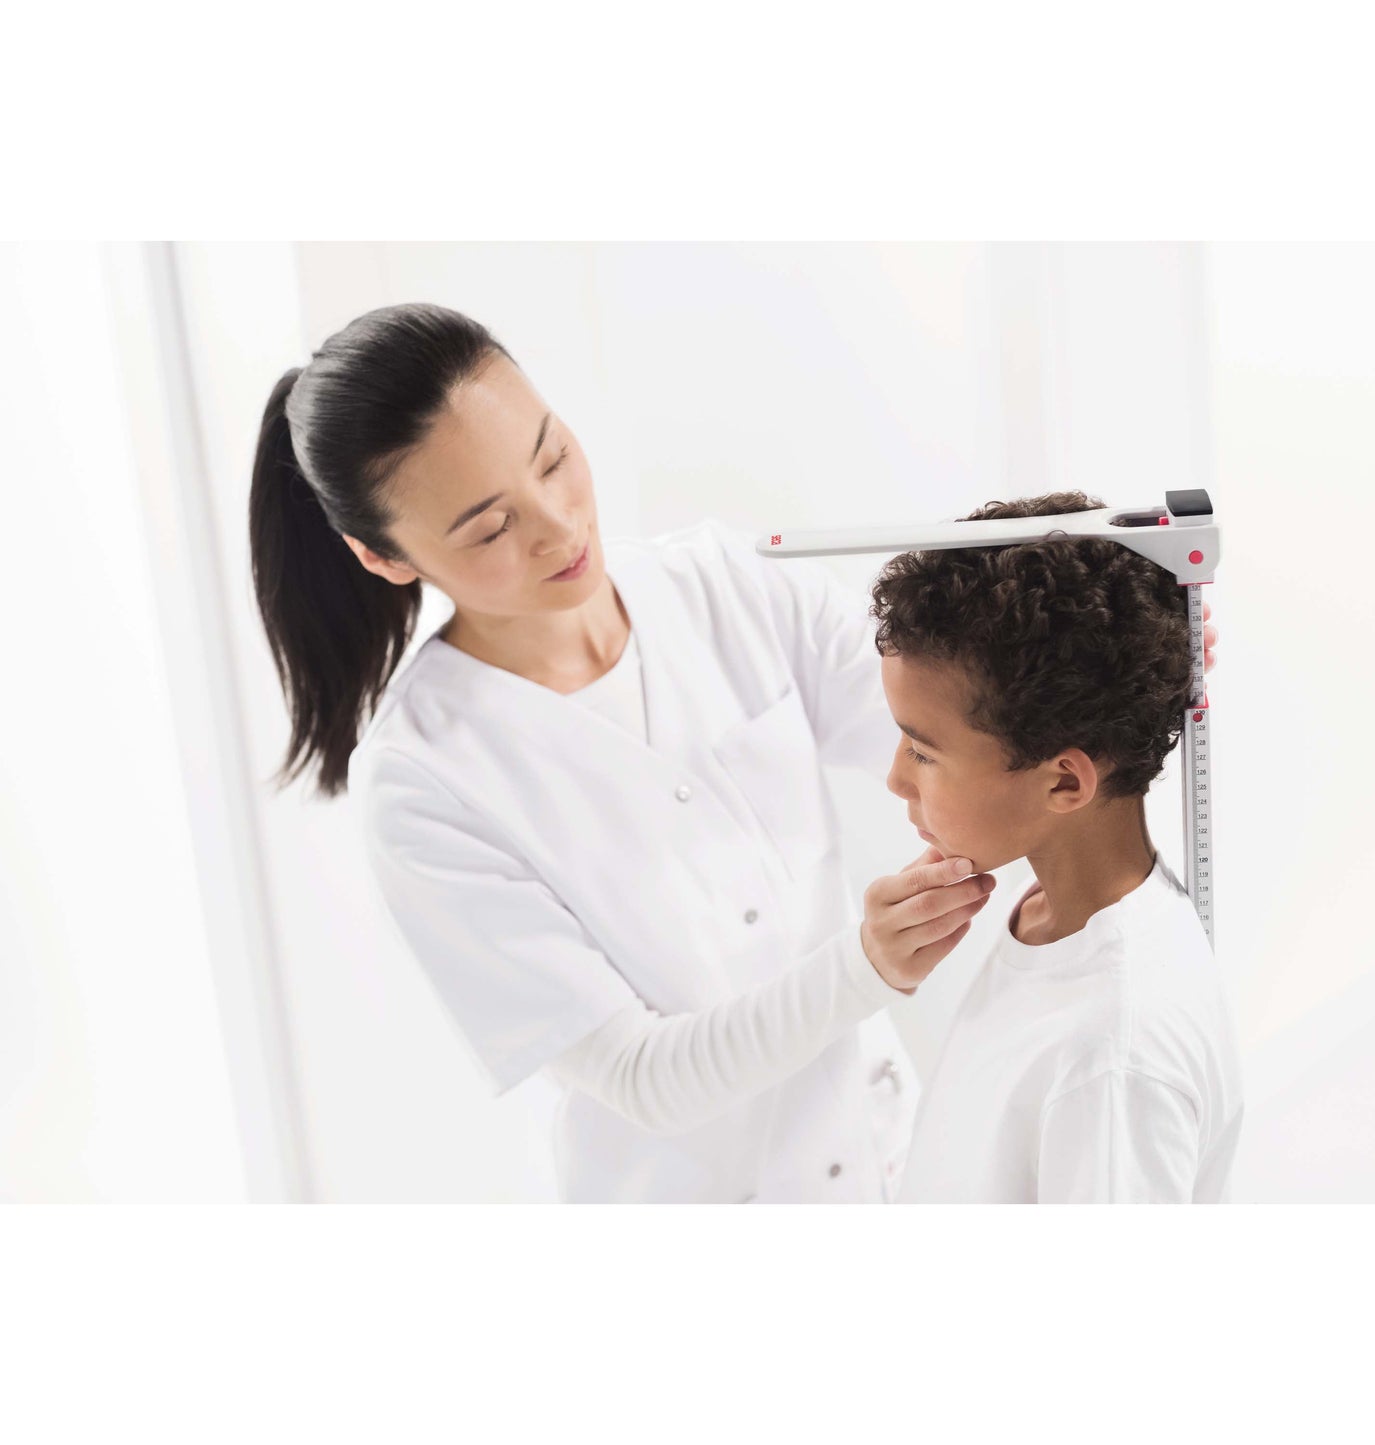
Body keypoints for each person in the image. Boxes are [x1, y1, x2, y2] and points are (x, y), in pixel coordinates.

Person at [248, 303, 1004, 1203]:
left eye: (552, 457)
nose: (558, 526)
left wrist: (1089, 644)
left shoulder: (724, 584)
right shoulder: (425, 784)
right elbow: (645, 1076)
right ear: (384, 557)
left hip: (892, 1168)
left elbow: (961, 729)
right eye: (489, 528)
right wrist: (867, 962)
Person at [869, 492, 1242, 1203]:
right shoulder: (1049, 912)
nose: (894, 778)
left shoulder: (1115, 1055)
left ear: (1065, 783)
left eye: (921, 751)